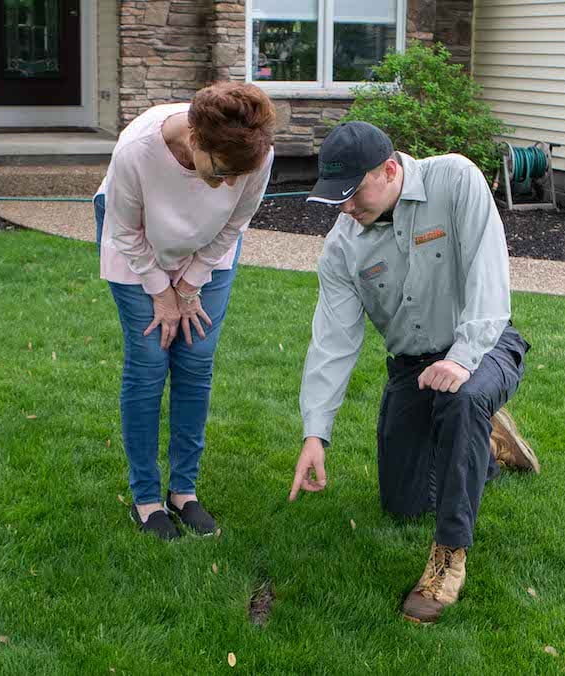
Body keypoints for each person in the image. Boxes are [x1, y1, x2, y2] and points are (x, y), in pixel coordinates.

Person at [288, 121, 540, 623]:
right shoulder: (342, 247)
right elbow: (333, 341)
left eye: (353, 194)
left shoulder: (456, 180)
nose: (346, 209)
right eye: (336, 198)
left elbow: (490, 280)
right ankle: (487, 446)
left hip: (484, 344)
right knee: (403, 503)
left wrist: (463, 358)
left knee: (463, 400)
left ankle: (448, 558)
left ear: (389, 169)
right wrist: (316, 433)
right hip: (412, 364)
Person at [94, 82, 276, 540]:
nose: (229, 183)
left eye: (239, 173)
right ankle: (146, 499)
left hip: (210, 253)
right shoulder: (137, 151)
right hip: (136, 245)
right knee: (150, 363)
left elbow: (236, 221)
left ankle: (184, 492)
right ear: (196, 141)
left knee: (195, 361)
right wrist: (160, 291)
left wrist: (190, 284)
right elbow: (124, 231)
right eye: (220, 172)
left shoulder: (253, 155)